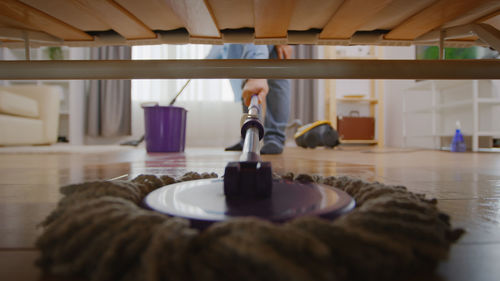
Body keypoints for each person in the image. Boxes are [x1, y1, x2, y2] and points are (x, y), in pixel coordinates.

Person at [206, 44, 292, 154]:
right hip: (242, 38)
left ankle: (274, 138)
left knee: (276, 70)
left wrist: (255, 73)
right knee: (246, 75)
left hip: (272, 31)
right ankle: (248, 136)